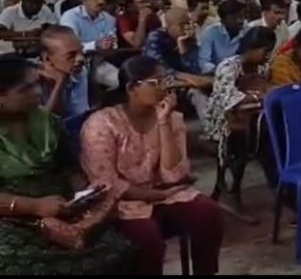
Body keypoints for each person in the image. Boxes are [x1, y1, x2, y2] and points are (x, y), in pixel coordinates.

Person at [81, 55, 224, 275]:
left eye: (166, 81)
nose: (164, 88)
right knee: (148, 240)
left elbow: (174, 175)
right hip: (121, 201)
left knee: (208, 212)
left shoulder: (172, 118)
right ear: (132, 89)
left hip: (167, 193)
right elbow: (105, 182)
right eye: (155, 83)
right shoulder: (102, 124)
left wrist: (164, 122)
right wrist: (152, 195)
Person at [0, 55, 134, 275]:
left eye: (37, 84)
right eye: (26, 88)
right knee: (16, 263)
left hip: (61, 208)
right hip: (12, 217)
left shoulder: (48, 123)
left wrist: (83, 195)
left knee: (116, 247)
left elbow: (69, 167)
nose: (38, 92)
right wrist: (34, 206)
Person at [204, 27, 277, 175]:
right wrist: (258, 96)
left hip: (252, 115)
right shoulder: (228, 67)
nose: (268, 56)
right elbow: (228, 99)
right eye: (265, 51)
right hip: (224, 118)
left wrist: (260, 96)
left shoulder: (263, 68)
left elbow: (265, 90)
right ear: (251, 48)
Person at [144, 8, 213, 117]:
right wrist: (187, 77)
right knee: (197, 92)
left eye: (188, 23)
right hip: (161, 82)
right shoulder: (156, 37)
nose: (186, 28)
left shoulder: (188, 39)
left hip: (185, 81)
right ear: (169, 26)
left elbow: (196, 68)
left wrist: (183, 52)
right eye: (182, 24)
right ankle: (212, 124)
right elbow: (158, 67)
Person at [36, 26, 90, 120]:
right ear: (46, 57)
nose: (81, 59)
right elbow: (41, 122)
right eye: (71, 55)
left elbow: (80, 114)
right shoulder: (30, 79)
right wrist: (60, 83)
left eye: (81, 51)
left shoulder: (79, 72)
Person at [199, 0, 247, 74]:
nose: (240, 21)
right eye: (234, 17)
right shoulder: (210, 33)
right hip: (215, 74)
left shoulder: (248, 32)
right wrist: (221, 71)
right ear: (223, 20)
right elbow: (204, 62)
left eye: (242, 16)